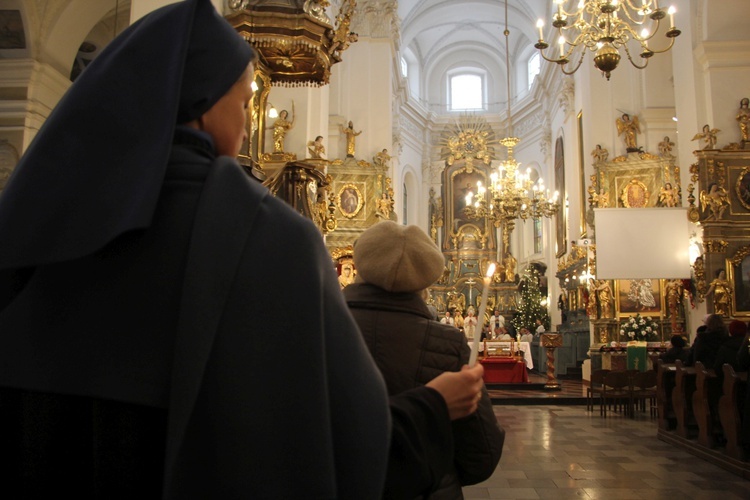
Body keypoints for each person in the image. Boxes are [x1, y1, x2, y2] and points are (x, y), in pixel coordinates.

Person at [0, 1, 483, 496]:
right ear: (206, 105)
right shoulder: (274, 238)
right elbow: (342, 445)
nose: (250, 123)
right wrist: (432, 406)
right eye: (246, 99)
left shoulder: (43, 219)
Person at [344, 222, 504, 498]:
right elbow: (481, 454)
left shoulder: (316, 329)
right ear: (426, 281)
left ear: (359, 265)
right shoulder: (448, 343)